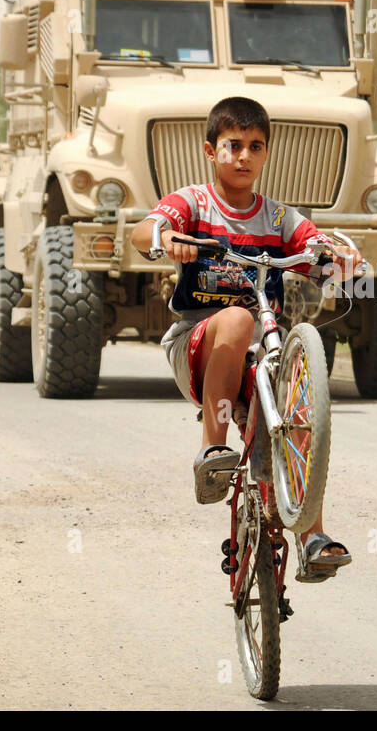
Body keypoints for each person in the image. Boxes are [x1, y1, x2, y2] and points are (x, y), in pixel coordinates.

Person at [131, 96, 361, 580]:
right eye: (233, 145)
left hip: (260, 351)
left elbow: (315, 244)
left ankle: (312, 535)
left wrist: (335, 258)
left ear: (266, 154)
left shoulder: (278, 219)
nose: (243, 157)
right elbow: (146, 228)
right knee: (236, 318)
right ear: (211, 151)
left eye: (255, 147)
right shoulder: (193, 202)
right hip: (198, 343)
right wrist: (164, 238)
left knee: (297, 418)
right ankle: (212, 451)